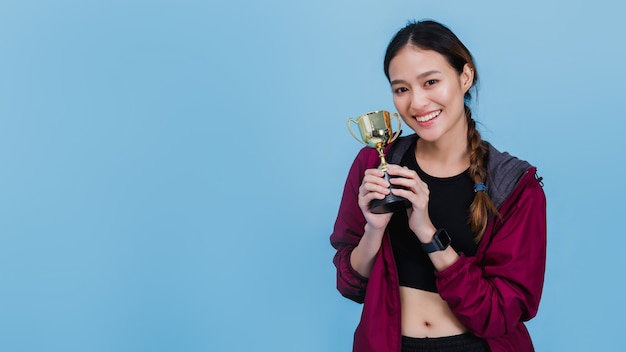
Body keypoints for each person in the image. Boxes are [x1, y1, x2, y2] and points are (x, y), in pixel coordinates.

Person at [330, 20, 547, 352]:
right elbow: (351, 286)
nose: (416, 103)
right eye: (401, 88)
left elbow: (501, 313)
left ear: (465, 77)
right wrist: (373, 231)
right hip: (390, 344)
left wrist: (428, 234)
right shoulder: (373, 164)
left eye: (430, 81)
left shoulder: (515, 185)